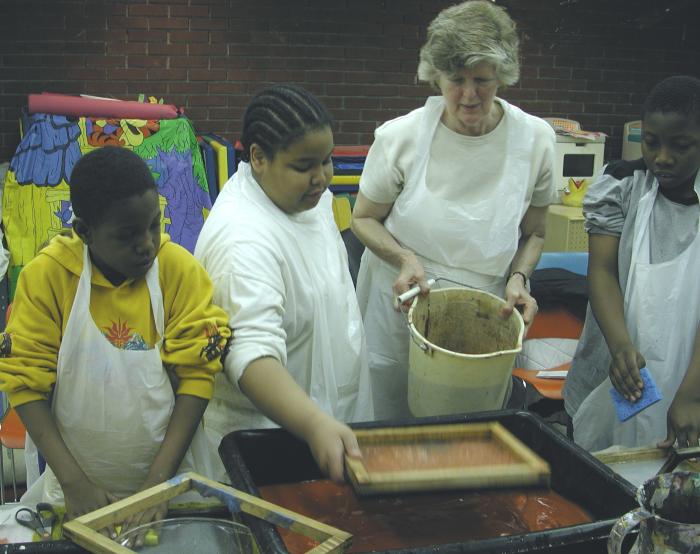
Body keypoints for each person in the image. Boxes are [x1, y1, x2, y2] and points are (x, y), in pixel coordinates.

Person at [0, 146, 231, 531]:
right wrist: (75, 484)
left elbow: (196, 377)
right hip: (76, 492)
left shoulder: (178, 272)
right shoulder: (50, 278)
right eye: (127, 235)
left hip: (173, 485)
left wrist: (157, 485)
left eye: (154, 225)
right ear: (85, 232)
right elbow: (24, 383)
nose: (147, 244)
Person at [351, 0, 557, 420]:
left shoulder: (535, 141)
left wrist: (519, 278)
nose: (468, 95)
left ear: (502, 76)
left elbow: (534, 231)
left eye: (482, 80)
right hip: (401, 303)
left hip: (485, 311)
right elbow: (362, 218)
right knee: (386, 420)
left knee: (467, 425)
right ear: (435, 76)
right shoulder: (401, 137)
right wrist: (404, 257)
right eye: (455, 79)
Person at [194, 84, 373, 483]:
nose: (322, 177)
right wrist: (314, 424)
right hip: (265, 444)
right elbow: (250, 354)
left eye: (326, 161)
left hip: (321, 424)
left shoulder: (305, 200)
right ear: (258, 157)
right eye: (304, 165)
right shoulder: (242, 241)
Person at [564, 75, 700, 452]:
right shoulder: (622, 184)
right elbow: (603, 271)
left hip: (691, 381)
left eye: (681, 145)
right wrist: (621, 345)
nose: (662, 157)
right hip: (614, 364)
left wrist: (692, 393)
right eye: (652, 143)